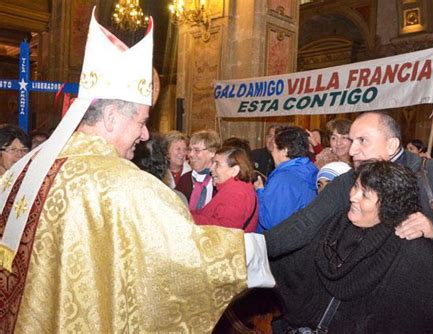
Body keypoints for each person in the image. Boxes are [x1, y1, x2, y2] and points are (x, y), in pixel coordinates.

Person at [0, 9, 274, 333]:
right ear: (113, 116)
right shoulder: (125, 185)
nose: (145, 135)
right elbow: (185, 258)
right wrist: (257, 253)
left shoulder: (24, 168)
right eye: (143, 121)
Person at [264, 112, 433, 290]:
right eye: (351, 141)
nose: (352, 151)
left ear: (391, 145)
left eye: (362, 141)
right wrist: (254, 248)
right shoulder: (348, 181)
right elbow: (305, 222)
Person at [273, 161, 433, 332]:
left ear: (388, 204)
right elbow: (292, 267)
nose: (352, 196)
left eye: (365, 194)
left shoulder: (412, 251)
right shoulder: (334, 226)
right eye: (355, 187)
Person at [254, 126, 318, 233]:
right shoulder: (309, 169)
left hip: (276, 243)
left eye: (274, 148)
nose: (272, 152)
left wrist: (260, 191)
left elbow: (270, 222)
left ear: (284, 151)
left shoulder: (283, 179)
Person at [192, 146, 258, 232]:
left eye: (217, 164)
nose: (211, 168)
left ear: (234, 171)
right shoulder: (235, 187)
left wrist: (189, 219)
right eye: (213, 163)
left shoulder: (236, 193)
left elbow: (226, 229)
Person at [176, 130, 220, 211]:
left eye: (197, 150)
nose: (191, 155)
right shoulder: (185, 180)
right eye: (190, 150)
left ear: (212, 152)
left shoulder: (219, 181)